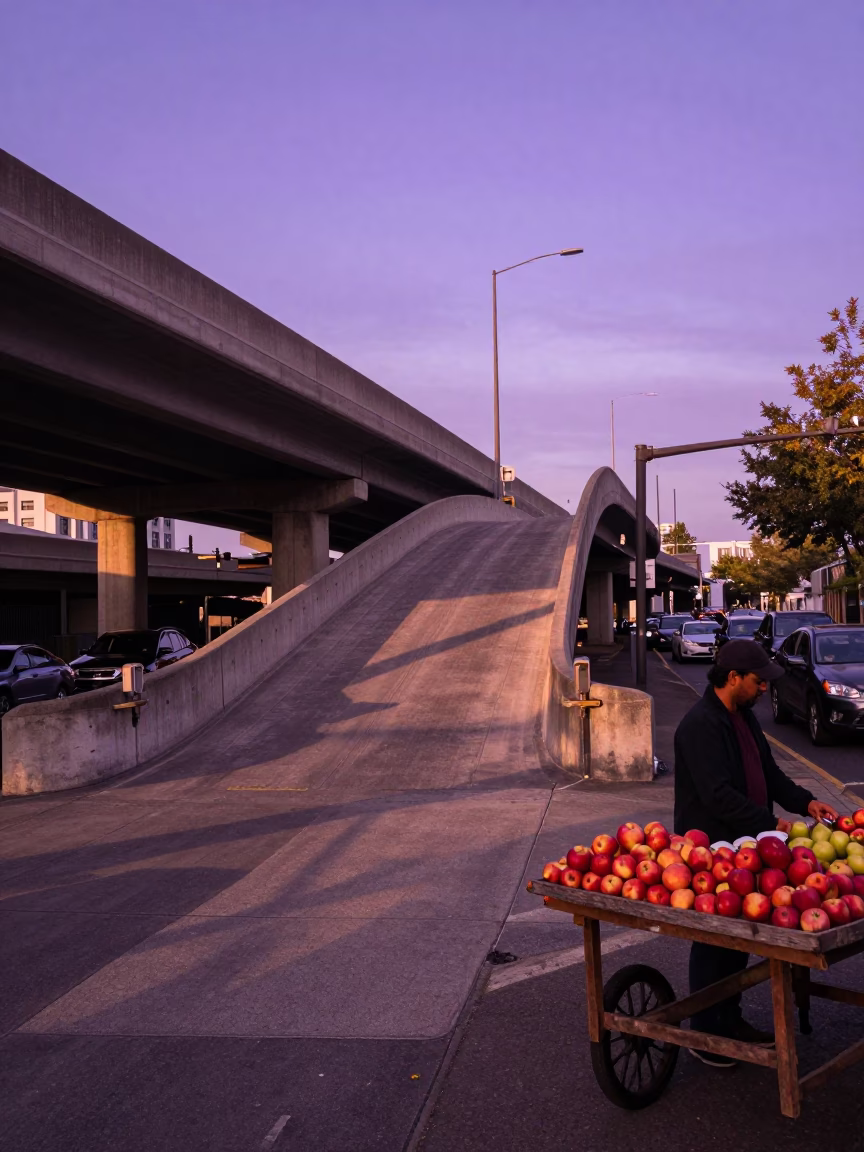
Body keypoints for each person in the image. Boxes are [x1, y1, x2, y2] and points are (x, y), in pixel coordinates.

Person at [673, 639, 838, 1067]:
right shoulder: (700, 725)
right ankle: (707, 1031)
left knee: (739, 938)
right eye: (759, 680)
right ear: (733, 679)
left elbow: (770, 773)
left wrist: (805, 803)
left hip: (746, 846)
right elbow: (718, 797)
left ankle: (729, 1018)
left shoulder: (743, 717)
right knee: (714, 941)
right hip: (713, 849)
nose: (765, 687)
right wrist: (773, 825)